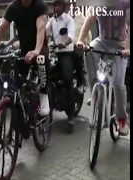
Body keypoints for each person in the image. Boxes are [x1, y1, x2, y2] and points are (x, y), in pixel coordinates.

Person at [0, 0, 50, 136]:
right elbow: (2, 27)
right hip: (24, 49)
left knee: (42, 60)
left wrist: (37, 50)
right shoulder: (14, 7)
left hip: (39, 48)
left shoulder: (40, 6)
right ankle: (21, 108)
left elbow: (41, 28)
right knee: (17, 79)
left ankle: (43, 95)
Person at [77, 0, 130, 135]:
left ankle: (122, 120)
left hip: (120, 44)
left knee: (118, 84)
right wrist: (81, 40)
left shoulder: (125, 5)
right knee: (88, 52)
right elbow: (88, 21)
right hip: (102, 41)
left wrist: (128, 48)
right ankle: (95, 90)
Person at [46, 0, 76, 132]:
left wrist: (64, 43)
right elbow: (46, 31)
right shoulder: (51, 21)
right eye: (55, 5)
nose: (56, 7)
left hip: (66, 53)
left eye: (59, 5)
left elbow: (71, 36)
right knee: (44, 75)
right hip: (54, 53)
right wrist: (47, 39)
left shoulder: (69, 19)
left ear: (64, 7)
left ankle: (71, 116)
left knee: (67, 79)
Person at [67, 2, 92, 94]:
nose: (73, 6)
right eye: (71, 4)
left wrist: (86, 45)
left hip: (77, 46)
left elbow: (88, 36)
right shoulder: (65, 17)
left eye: (75, 4)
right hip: (65, 46)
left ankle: (80, 83)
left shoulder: (82, 19)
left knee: (77, 55)